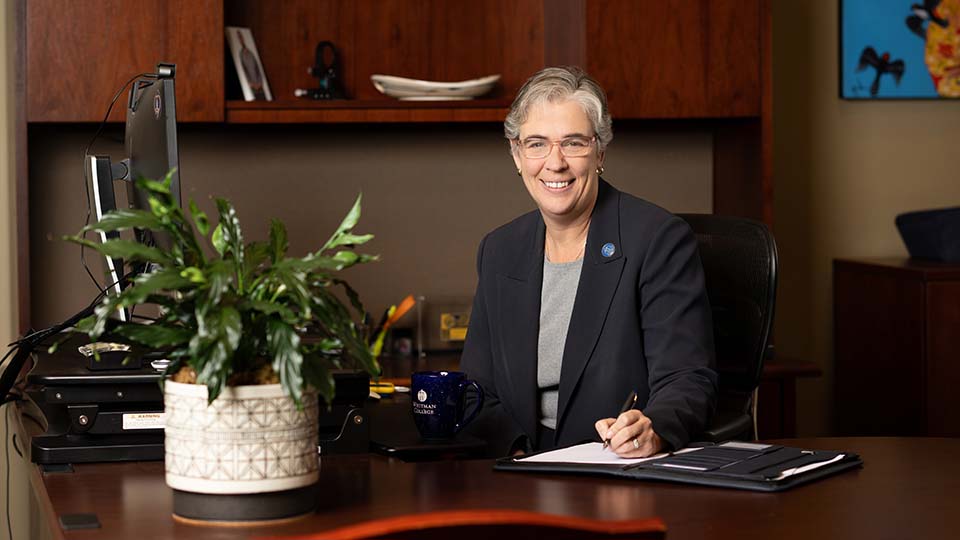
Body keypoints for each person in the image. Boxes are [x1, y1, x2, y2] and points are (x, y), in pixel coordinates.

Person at [460, 66, 717, 458]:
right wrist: (517, 455)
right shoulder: (499, 249)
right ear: (516, 154)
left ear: (600, 151)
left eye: (573, 143)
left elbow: (687, 377)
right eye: (536, 144)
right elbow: (477, 389)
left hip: (614, 465)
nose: (555, 162)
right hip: (519, 467)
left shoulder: (658, 239)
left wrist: (654, 428)